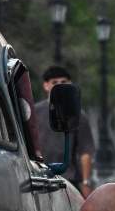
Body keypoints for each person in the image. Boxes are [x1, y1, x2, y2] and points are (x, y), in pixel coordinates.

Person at [33, 65, 95, 197]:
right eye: (54, 82)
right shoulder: (34, 112)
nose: (59, 85)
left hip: (68, 180)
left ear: (70, 83)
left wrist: (85, 182)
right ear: (46, 85)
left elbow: (85, 151)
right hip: (39, 177)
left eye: (63, 82)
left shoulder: (78, 115)